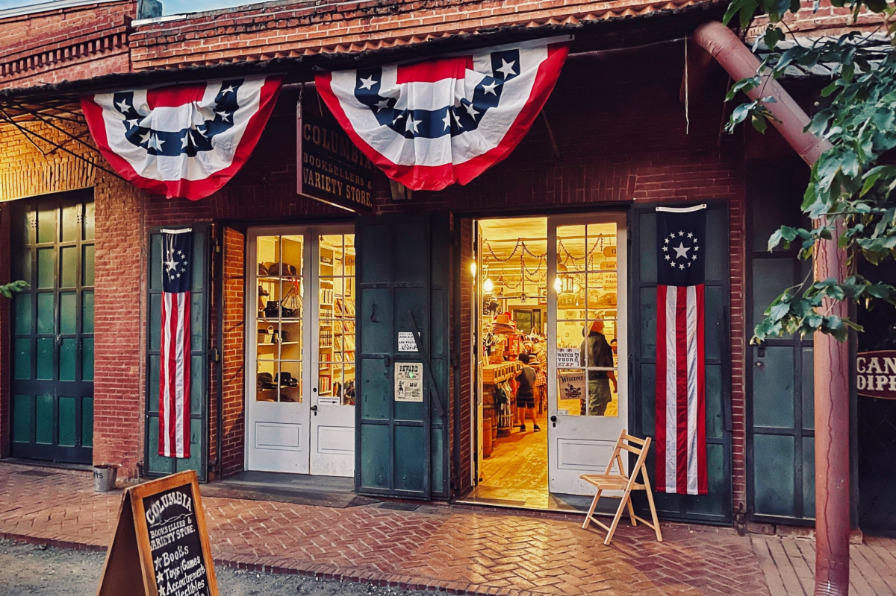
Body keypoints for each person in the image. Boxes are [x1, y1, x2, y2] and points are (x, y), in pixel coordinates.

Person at [580, 321, 617, 416]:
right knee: (596, 413)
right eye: (601, 323)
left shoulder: (584, 342)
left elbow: (582, 364)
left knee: (588, 410)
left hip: (588, 380)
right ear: (595, 325)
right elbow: (607, 365)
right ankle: (592, 430)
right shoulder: (601, 341)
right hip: (599, 382)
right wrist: (614, 381)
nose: (604, 325)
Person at [514, 353, 540, 432]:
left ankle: (522, 425)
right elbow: (534, 382)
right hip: (530, 390)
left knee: (521, 408)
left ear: (521, 361)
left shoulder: (521, 371)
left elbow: (517, 381)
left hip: (521, 390)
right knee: (532, 408)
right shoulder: (533, 370)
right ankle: (535, 425)